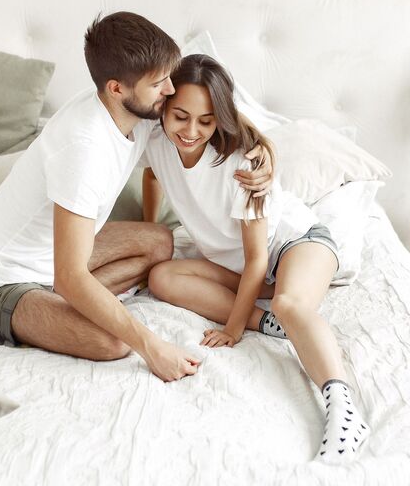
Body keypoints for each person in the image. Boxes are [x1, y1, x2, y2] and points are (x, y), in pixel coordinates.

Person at [0, 13, 272, 383]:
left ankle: (59, 308)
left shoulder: (137, 110)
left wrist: (264, 149)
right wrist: (153, 347)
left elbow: (215, 111)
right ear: (117, 88)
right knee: (113, 341)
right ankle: (48, 312)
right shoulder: (83, 150)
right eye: (159, 83)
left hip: (52, 263)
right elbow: (70, 276)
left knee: (159, 241)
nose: (170, 90)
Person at [141, 54, 370, 462]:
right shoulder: (157, 142)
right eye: (180, 117)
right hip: (245, 269)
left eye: (206, 121)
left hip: (296, 244)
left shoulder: (243, 165)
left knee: (289, 303)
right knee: (162, 277)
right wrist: (149, 225)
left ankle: (344, 409)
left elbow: (257, 259)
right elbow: (151, 174)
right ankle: (268, 322)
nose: (191, 131)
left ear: (220, 118)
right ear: (164, 107)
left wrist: (232, 329)